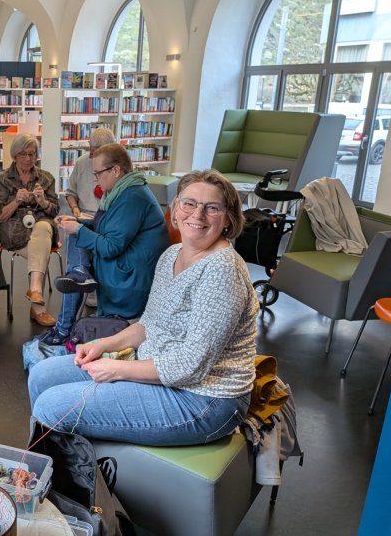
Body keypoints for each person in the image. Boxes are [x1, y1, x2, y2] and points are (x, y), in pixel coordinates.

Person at [29, 169, 258, 446]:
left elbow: (191, 366)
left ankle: (49, 484)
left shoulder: (222, 270)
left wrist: (116, 370)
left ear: (228, 218)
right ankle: (45, 476)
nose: (197, 215)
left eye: (212, 208)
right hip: (158, 370)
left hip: (204, 400)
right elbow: (149, 324)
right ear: (175, 209)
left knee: (51, 406)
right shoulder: (172, 255)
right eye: (189, 203)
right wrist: (104, 344)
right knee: (42, 375)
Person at [41, 143, 169, 345]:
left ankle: (65, 322)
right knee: (75, 233)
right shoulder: (122, 192)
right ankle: (79, 273)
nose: (95, 179)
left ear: (116, 170)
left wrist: (80, 229)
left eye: (98, 173)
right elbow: (106, 227)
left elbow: (111, 247)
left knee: (77, 235)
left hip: (130, 275)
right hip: (127, 265)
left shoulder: (132, 197)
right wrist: (79, 224)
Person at [0, 133, 60, 327]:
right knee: (41, 250)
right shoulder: (1, 180)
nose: (28, 159)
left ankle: (36, 295)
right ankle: (37, 305)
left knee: (44, 226)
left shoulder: (46, 178)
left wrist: (43, 201)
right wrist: (16, 201)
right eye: (23, 154)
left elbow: (54, 211)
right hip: (14, 234)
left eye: (32, 154)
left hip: (40, 229)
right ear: (14, 155)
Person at [62, 126, 116, 309]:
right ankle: (80, 274)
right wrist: (75, 210)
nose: (92, 156)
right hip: (84, 213)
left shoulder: (119, 169)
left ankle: (85, 278)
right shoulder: (82, 163)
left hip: (109, 217)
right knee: (74, 229)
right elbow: (70, 193)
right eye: (91, 151)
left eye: (97, 153)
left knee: (91, 235)